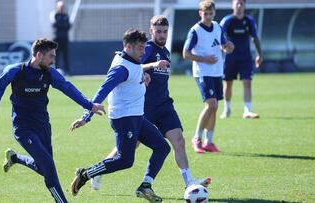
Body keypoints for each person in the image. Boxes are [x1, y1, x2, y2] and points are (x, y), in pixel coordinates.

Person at [89, 15, 211, 191]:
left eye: (165, 31)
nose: (162, 35)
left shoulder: (166, 51)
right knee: (130, 147)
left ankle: (188, 182)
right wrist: (152, 65)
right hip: (144, 107)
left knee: (178, 140)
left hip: (164, 106)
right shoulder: (146, 49)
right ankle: (99, 171)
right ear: (151, 30)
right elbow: (133, 67)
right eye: (159, 31)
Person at [0, 38, 105, 203]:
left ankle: (15, 158)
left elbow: (67, 88)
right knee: (48, 165)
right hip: (23, 127)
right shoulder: (16, 71)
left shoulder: (49, 73)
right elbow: (0, 85)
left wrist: (89, 105)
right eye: (51, 56)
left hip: (43, 125)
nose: (54, 61)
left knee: (43, 168)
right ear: (39, 55)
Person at [69, 28, 171, 202]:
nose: (144, 51)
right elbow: (102, 91)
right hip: (124, 119)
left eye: (144, 47)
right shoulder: (120, 69)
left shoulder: (132, 58)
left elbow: (135, 69)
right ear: (128, 47)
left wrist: (143, 74)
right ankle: (85, 174)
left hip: (137, 117)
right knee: (125, 160)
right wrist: (86, 116)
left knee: (163, 147)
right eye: (140, 48)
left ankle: (145, 186)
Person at [183, 0, 234, 154]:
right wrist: (205, 59)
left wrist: (229, 47)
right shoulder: (195, 30)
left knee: (215, 106)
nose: (208, 16)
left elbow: (224, 45)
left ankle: (209, 142)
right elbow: (186, 54)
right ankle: (196, 139)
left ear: (214, 13)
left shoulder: (218, 27)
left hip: (217, 72)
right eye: (205, 13)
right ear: (200, 14)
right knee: (211, 105)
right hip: (202, 72)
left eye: (211, 13)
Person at [219, 0, 263, 119]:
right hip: (230, 58)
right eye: (237, 3)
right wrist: (222, 49)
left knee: (247, 82)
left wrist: (260, 54)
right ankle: (227, 109)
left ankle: (247, 110)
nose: (239, 5)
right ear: (232, 5)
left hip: (245, 58)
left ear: (245, 6)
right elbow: (218, 37)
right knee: (228, 84)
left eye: (241, 3)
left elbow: (255, 38)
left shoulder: (249, 21)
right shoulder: (227, 20)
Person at [50, 1, 71, 75]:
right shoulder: (55, 14)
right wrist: (63, 25)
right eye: (60, 7)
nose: (62, 8)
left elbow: (68, 26)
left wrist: (62, 25)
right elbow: (55, 25)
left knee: (65, 55)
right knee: (56, 55)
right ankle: (54, 70)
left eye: (63, 7)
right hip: (56, 39)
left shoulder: (66, 15)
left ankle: (67, 71)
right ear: (58, 7)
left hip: (64, 38)